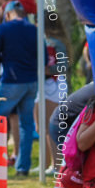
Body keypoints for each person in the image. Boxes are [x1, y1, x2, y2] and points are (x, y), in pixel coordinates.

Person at [0, 0, 39, 175]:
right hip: (32, 82)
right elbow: (43, 57)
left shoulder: (3, 28)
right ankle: (23, 167)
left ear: (7, 15)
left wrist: (4, 57)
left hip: (11, 81)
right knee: (27, 124)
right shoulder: (35, 29)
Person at [38, 10, 71, 173]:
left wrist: (48, 69)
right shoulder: (42, 40)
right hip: (43, 84)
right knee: (41, 126)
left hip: (55, 84)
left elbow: (64, 67)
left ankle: (56, 165)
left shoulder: (57, 43)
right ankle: (45, 163)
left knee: (52, 125)